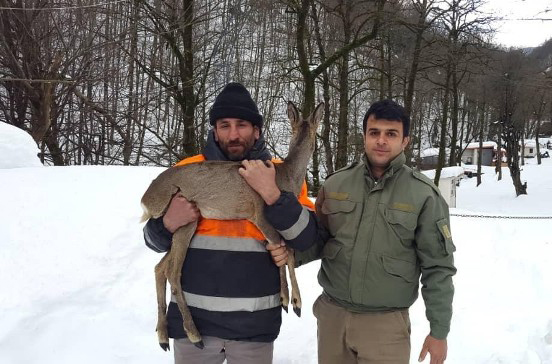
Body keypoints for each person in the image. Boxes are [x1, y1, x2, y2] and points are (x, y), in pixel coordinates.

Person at [241, 99, 456, 364]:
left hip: (385, 327)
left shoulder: (424, 195)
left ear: (405, 142)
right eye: (374, 132)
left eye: (391, 134)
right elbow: (318, 239)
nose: (381, 141)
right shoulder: (336, 183)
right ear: (364, 136)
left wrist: (439, 331)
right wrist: (291, 254)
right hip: (333, 318)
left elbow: (438, 268)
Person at [143, 82, 318, 364]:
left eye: (242, 125)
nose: (233, 134)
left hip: (254, 328)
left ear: (257, 130)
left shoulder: (282, 174)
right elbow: (153, 240)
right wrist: (166, 224)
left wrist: (273, 195)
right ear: (215, 130)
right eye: (225, 125)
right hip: (194, 328)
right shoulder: (187, 170)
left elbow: (307, 238)